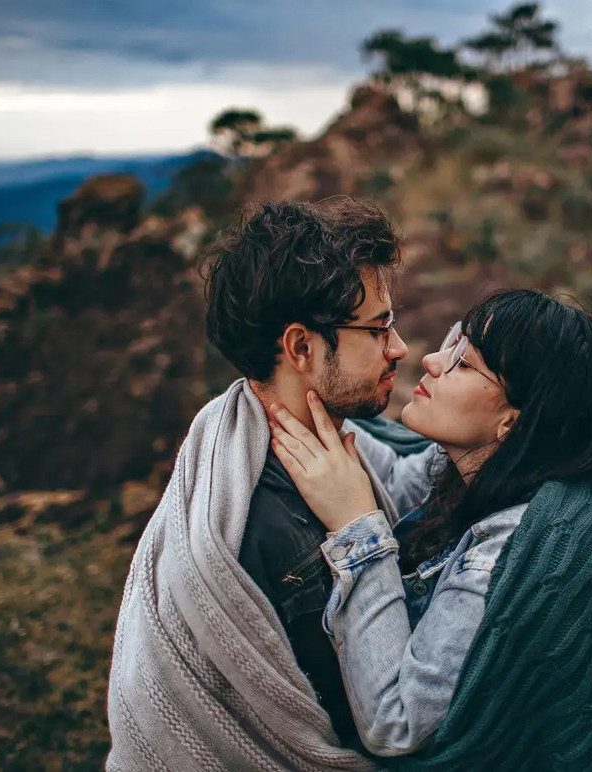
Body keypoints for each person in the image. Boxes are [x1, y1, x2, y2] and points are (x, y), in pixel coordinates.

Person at [106, 198, 436, 771]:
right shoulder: (273, 527)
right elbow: (369, 719)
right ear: (301, 348)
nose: (399, 348)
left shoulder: (332, 443)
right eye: (378, 328)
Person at [267, 289, 592, 770]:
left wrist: (355, 526)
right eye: (450, 346)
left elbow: (396, 722)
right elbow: (390, 477)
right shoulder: (492, 466)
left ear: (513, 420)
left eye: (463, 363)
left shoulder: (505, 555)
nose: (430, 360)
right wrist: (289, 390)